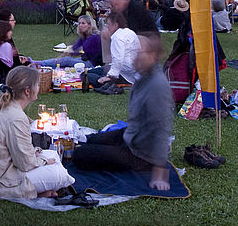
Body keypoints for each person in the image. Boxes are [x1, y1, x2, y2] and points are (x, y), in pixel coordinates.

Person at [72, 32, 172, 190]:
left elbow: (162, 128)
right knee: (91, 139)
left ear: (153, 56)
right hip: (132, 135)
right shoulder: (144, 75)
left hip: (141, 154)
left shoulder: (157, 86)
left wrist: (160, 172)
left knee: (80, 155)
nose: (134, 57)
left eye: (139, 53)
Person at [0, 65, 75, 199]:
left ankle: (39, 190)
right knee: (59, 174)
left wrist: (40, 157)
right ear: (28, 91)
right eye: (37, 85)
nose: (38, 88)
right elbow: (25, 163)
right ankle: (33, 192)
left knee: (53, 154)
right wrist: (43, 161)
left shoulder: (1, 105)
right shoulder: (16, 117)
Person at [85, 11, 139, 89]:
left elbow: (118, 58)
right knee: (98, 70)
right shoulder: (130, 32)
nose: (107, 27)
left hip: (123, 73)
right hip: (133, 72)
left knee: (85, 74)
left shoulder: (117, 37)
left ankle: (104, 82)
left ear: (115, 25)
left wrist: (111, 76)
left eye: (108, 24)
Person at [33, 15, 102, 68]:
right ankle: (42, 66)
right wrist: (67, 51)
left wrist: (69, 52)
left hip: (93, 64)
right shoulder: (85, 35)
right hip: (86, 59)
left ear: (90, 25)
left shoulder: (94, 37)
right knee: (64, 61)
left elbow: (78, 51)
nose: (80, 25)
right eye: (79, 23)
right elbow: (76, 46)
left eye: (83, 23)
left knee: (67, 60)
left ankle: (39, 63)